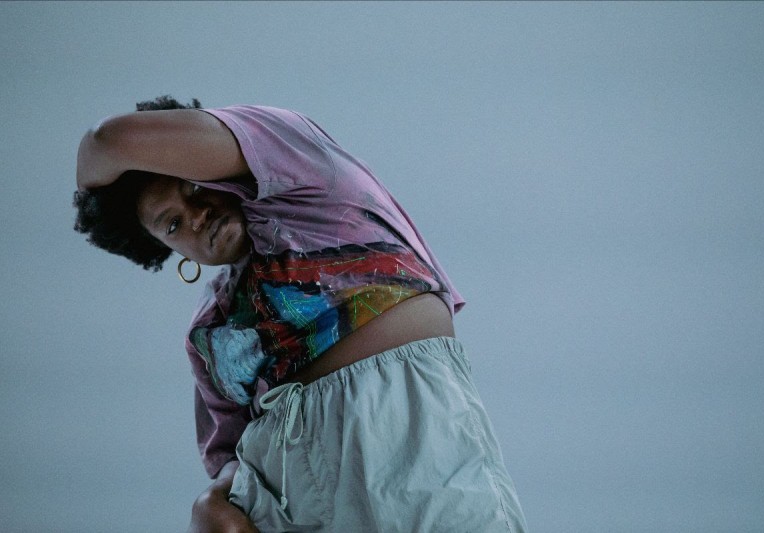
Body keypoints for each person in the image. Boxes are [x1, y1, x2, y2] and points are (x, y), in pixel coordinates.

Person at [74, 96, 528, 532]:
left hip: (417, 467)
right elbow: (227, 452)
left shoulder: (305, 175)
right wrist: (213, 505)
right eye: (171, 225)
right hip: (290, 506)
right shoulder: (208, 330)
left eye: (194, 187)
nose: (196, 215)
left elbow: (107, 142)